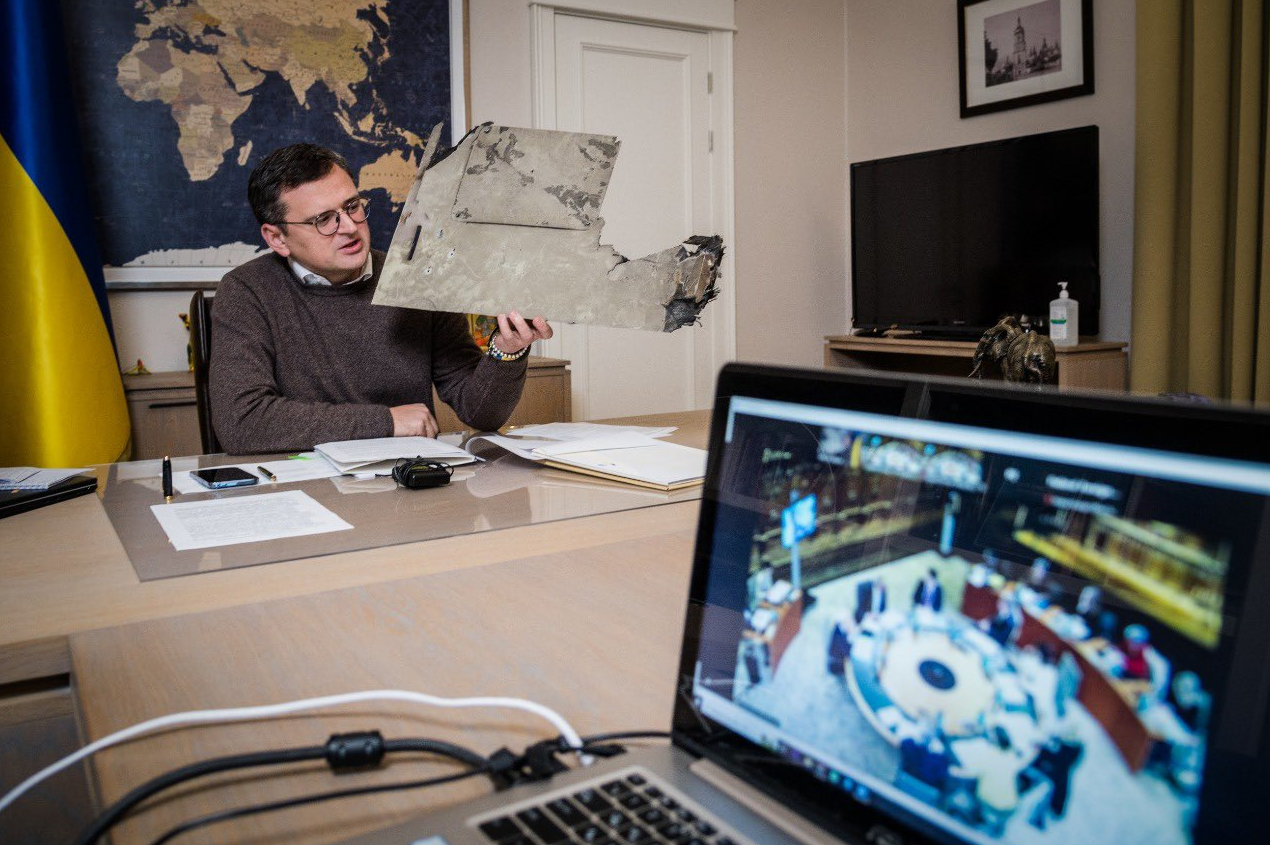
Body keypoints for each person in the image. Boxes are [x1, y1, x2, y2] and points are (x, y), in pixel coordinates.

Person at [209, 143, 553, 453]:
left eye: (352, 206)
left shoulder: (418, 280)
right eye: (324, 219)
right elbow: (242, 422)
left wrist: (507, 351)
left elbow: (480, 413)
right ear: (277, 238)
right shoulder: (246, 291)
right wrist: (386, 421)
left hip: (406, 481)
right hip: (301, 483)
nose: (349, 227)